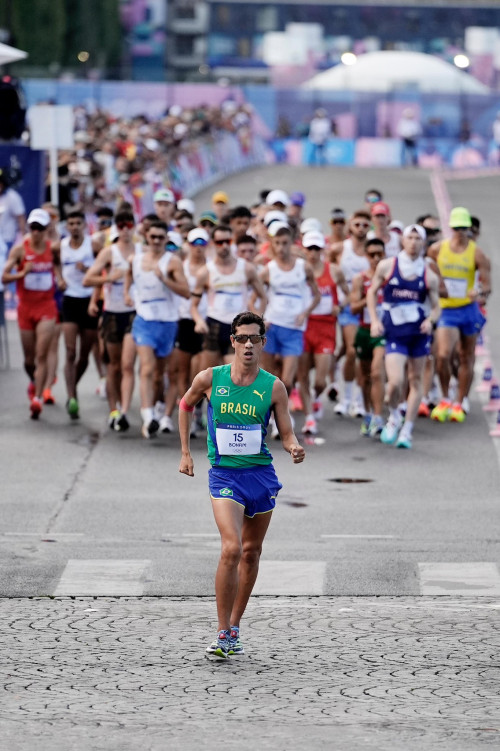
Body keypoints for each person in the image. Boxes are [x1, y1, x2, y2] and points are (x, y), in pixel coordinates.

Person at [178, 311, 305, 659]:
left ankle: (235, 626)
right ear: (232, 341)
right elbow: (185, 404)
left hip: (260, 475)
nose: (248, 344)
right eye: (242, 338)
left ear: (263, 343)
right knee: (231, 548)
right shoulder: (210, 378)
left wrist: (293, 446)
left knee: (251, 552)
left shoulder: (273, 386)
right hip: (224, 475)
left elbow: (287, 430)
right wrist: (186, 453)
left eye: (255, 338)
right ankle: (221, 632)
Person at [367, 224, 441, 449]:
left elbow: (437, 306)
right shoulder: (388, 265)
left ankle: (407, 430)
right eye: (410, 237)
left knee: (416, 381)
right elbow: (372, 292)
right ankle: (394, 416)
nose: (413, 242)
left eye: (418, 239)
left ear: (423, 243)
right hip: (395, 334)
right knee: (395, 383)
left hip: (418, 334)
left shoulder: (429, 274)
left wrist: (430, 321)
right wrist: (375, 320)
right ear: (403, 241)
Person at [124, 221, 189, 438]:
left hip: (168, 322)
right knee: (146, 368)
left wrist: (164, 279)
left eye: (161, 238)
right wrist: (127, 293)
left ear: (166, 239)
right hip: (144, 320)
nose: (157, 241)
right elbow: (128, 275)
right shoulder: (136, 259)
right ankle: (148, 416)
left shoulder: (173, 263)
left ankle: (156, 407)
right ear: (146, 238)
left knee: (159, 375)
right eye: (153, 237)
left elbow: (186, 292)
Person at [427, 207, 491, 422]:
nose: (460, 232)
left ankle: (461, 400)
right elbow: (428, 272)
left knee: (466, 356)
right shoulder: (437, 250)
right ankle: (445, 397)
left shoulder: (477, 253)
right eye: (456, 228)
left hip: (468, 310)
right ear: (450, 227)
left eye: (464, 228)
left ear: (469, 229)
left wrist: (479, 292)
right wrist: (438, 285)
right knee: (443, 354)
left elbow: (487, 286)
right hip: (447, 309)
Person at [83, 209, 140, 430]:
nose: (126, 229)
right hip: (112, 313)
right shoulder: (109, 252)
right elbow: (88, 279)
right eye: (122, 225)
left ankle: (125, 411)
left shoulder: (141, 251)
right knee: (113, 366)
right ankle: (114, 409)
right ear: (117, 228)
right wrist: (109, 277)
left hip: (135, 314)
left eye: (129, 224)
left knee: (127, 364)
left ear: (134, 226)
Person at [1, 209, 60, 418]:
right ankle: (35, 381)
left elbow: (60, 270)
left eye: (40, 228)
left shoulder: (52, 250)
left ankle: (36, 399)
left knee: (42, 354)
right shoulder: (19, 250)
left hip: (46, 307)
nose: (35, 232)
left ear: (45, 230)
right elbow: (4, 277)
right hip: (25, 308)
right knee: (29, 359)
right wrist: (22, 273)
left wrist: (61, 280)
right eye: (32, 228)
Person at [191, 224, 267, 369]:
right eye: (220, 242)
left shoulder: (246, 268)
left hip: (238, 326)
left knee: (237, 374)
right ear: (213, 244)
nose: (224, 246)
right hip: (213, 325)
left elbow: (263, 297)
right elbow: (194, 305)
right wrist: (198, 321)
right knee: (208, 376)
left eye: (228, 241)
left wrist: (259, 319)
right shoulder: (205, 272)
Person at [53, 210, 103, 419]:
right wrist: (59, 278)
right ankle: (72, 397)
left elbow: (103, 271)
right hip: (70, 301)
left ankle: (73, 385)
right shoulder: (60, 246)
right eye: (71, 223)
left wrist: (88, 270)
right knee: (70, 351)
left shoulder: (93, 245)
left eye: (77, 223)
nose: (74, 227)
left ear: (84, 225)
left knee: (84, 355)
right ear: (67, 227)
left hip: (89, 301)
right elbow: (55, 261)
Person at [297, 230, 346, 435]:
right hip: (304, 327)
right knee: (302, 376)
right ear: (304, 250)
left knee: (320, 380)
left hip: (326, 328)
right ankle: (309, 418)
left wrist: (340, 306)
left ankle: (316, 398)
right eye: (310, 248)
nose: (313, 252)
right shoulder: (298, 270)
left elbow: (348, 293)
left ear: (323, 250)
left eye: (317, 248)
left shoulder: (333, 270)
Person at [330, 210, 372, 417]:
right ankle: (346, 399)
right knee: (352, 351)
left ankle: (359, 400)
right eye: (357, 225)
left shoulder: (373, 250)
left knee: (363, 356)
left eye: (365, 225)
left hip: (367, 307)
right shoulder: (339, 249)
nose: (361, 228)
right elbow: (329, 269)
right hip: (346, 305)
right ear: (350, 227)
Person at [350, 237, 387, 437]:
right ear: (366, 256)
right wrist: (370, 297)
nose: (375, 258)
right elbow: (353, 307)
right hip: (364, 331)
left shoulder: (390, 277)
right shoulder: (360, 279)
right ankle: (367, 412)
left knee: (377, 373)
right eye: (372, 255)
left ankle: (379, 416)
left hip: (381, 332)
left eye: (379, 254)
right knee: (364, 377)